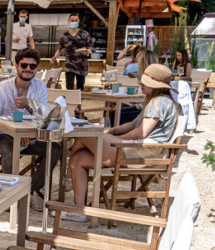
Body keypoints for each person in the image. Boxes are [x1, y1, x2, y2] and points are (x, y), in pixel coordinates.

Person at [67, 64, 181, 222]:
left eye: (144, 81)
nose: (140, 84)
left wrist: (120, 140)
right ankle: (78, 210)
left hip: (141, 151)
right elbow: (134, 125)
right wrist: (114, 130)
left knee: (86, 133)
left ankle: (67, 177)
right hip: (137, 148)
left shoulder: (159, 102)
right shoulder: (156, 100)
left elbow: (141, 132)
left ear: (154, 84)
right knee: (78, 159)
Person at [0, 48, 60, 211]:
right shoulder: (2, 88)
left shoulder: (40, 86)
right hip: (3, 136)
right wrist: (15, 133)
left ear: (37, 68)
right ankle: (12, 194)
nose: (28, 69)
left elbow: (46, 117)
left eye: (32, 66)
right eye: (24, 65)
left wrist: (30, 105)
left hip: (30, 137)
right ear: (17, 66)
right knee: (10, 150)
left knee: (55, 148)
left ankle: (30, 191)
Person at [50, 13, 93, 91]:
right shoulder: (64, 36)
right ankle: (69, 102)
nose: (74, 22)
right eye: (72, 20)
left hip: (81, 65)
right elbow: (60, 49)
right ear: (68, 21)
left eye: (76, 20)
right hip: (69, 64)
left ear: (79, 21)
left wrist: (87, 52)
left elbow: (90, 47)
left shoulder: (84, 34)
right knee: (69, 87)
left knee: (80, 87)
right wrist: (54, 57)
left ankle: (78, 102)